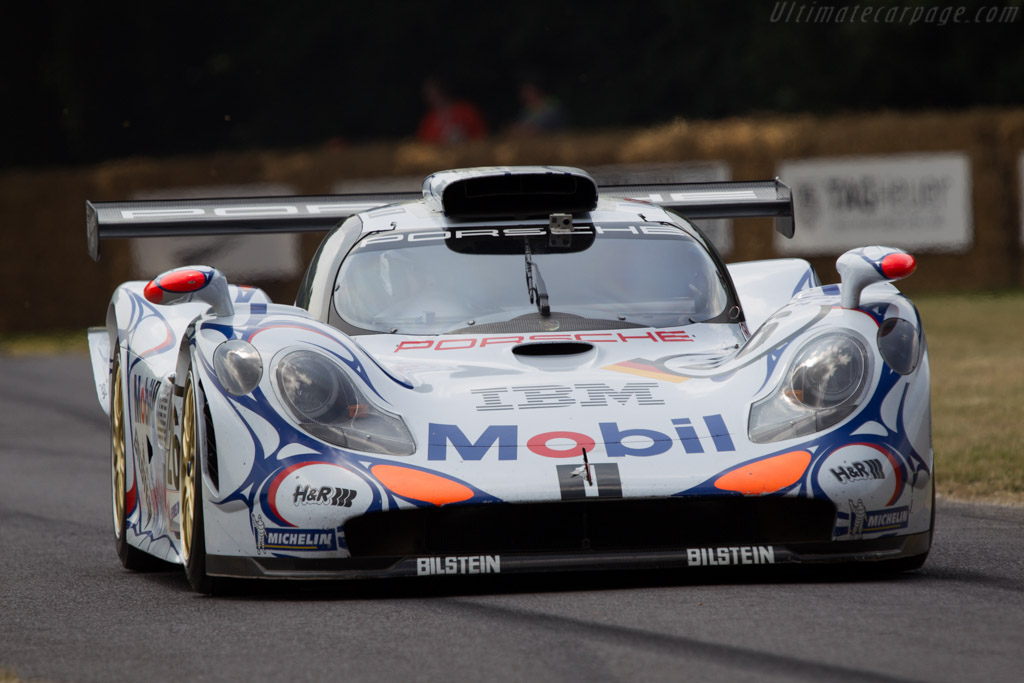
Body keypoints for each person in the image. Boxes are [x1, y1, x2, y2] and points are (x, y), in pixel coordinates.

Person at [416, 78, 488, 145]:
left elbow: (482, 136)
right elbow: (424, 145)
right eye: (428, 93)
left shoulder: (466, 111)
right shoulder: (428, 121)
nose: (431, 97)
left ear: (443, 90)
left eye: (433, 92)